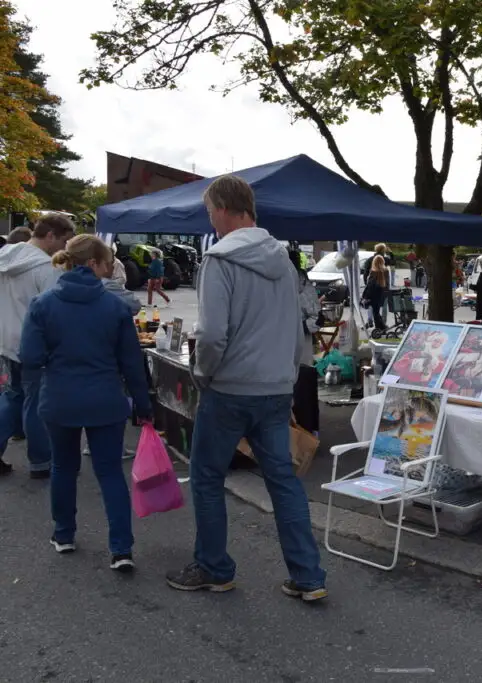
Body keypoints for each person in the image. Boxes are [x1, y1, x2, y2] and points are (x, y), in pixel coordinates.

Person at [165, 174, 327, 601]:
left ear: (221, 208)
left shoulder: (219, 260)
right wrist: (289, 374)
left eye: (209, 213)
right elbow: (296, 331)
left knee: (205, 477)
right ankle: (308, 576)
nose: (210, 222)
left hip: (231, 387)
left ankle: (214, 568)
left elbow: (214, 334)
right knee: (284, 481)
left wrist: (202, 373)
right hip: (275, 386)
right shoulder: (284, 262)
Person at [19, 235, 152, 569]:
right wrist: (143, 404)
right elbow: (132, 363)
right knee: (109, 471)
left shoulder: (43, 304)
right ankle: (121, 548)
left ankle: (64, 534)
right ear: (94, 263)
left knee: (64, 467)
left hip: (60, 398)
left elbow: (31, 357)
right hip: (106, 399)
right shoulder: (116, 307)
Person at [0, 213, 73, 477]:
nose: (65, 247)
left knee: (13, 397)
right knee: (35, 402)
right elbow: (54, 312)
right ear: (50, 235)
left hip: (7, 339)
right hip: (33, 344)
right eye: (64, 240)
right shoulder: (47, 268)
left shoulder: (7, 255)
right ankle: (41, 460)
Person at [290, 248, 320, 436]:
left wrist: (297, 327)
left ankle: (306, 429)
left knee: (301, 384)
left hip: (300, 344)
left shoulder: (303, 285)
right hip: (278, 343)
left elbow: (316, 318)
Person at [362, 255, 389, 332]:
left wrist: (366, 296)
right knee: (376, 311)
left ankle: (379, 327)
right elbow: (387, 283)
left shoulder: (373, 271)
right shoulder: (386, 270)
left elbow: (370, 285)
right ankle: (382, 326)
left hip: (374, 294)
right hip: (382, 293)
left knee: (375, 312)